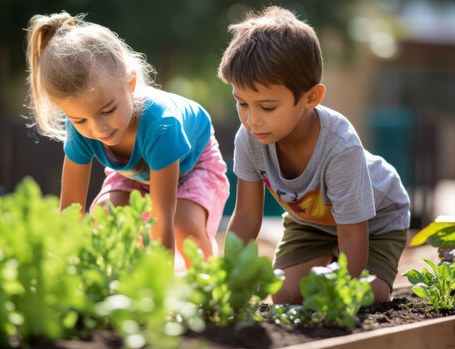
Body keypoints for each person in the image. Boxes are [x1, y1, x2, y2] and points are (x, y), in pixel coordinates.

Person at [218, 7, 410, 303]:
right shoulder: (250, 139)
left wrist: (343, 292)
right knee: (284, 295)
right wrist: (227, 277)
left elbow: (353, 234)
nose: (252, 119)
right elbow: (244, 217)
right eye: (242, 103)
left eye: (267, 107)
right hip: (312, 223)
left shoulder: (339, 146)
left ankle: (345, 275)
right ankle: (324, 265)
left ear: (311, 98)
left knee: (363, 297)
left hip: (374, 224)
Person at [25, 12, 229, 269]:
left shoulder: (161, 124)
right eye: (79, 120)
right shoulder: (81, 128)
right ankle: (124, 279)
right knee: (105, 217)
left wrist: (159, 294)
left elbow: (162, 218)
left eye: (108, 110)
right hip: (137, 174)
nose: (98, 128)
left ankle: (210, 285)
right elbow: (70, 211)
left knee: (184, 228)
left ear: (130, 84)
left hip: (191, 166)